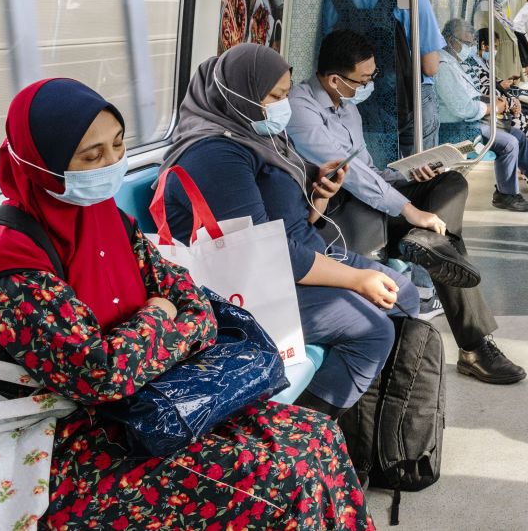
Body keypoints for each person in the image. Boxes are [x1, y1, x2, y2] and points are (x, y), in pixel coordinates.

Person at [0, 79, 374, 529]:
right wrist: (157, 314)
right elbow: (101, 375)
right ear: (40, 163)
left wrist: (152, 332)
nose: (110, 164)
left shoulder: (106, 217)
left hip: (152, 398)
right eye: (90, 156)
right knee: (284, 480)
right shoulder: (5, 261)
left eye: (119, 145)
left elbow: (197, 305)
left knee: (318, 436)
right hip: (63, 434)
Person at [162, 44, 419, 418]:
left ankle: (376, 424)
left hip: (298, 256)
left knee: (404, 294)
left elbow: (296, 222)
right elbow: (264, 252)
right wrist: (356, 279)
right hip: (247, 285)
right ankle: (309, 431)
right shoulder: (216, 154)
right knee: (373, 327)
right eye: (277, 96)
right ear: (239, 94)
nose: (284, 105)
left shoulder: (260, 136)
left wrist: (320, 197)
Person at [287, 30, 526, 384]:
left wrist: (406, 173)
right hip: (335, 212)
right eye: (363, 80)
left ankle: (428, 245)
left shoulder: (347, 107)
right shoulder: (301, 110)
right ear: (335, 80)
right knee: (441, 239)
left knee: (450, 183)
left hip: (370, 199)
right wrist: (410, 211)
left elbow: (368, 169)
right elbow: (350, 177)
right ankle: (475, 347)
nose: (368, 86)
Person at [320, 0, 443, 166]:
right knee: (418, 175)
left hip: (355, 102)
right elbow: (430, 66)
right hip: (409, 104)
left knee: (370, 170)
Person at [436, 18, 528, 212]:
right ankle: (506, 194)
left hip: (471, 122)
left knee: (518, 136)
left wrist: (493, 101)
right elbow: (463, 109)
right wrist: (494, 108)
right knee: (508, 143)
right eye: (467, 43)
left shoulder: (456, 62)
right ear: (452, 40)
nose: (470, 47)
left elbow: (472, 96)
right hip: (458, 130)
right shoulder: (444, 66)